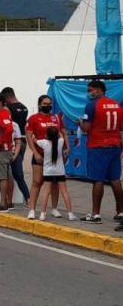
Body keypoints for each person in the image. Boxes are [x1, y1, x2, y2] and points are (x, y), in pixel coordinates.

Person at [80, 80, 123, 224]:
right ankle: (120, 212)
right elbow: (121, 128)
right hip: (115, 146)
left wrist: (80, 122)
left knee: (97, 180)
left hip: (98, 146)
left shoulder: (91, 105)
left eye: (90, 90)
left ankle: (96, 214)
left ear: (98, 90)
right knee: (115, 179)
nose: (89, 93)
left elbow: (86, 128)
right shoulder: (117, 105)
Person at [25, 95, 65, 220]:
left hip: (54, 156)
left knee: (54, 183)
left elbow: (63, 133)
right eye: (45, 103)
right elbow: (29, 137)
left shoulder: (56, 118)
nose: (47, 106)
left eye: (49, 104)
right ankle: (32, 209)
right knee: (37, 182)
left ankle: (54, 209)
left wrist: (67, 148)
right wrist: (35, 153)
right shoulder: (33, 118)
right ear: (39, 104)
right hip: (40, 155)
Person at [35, 126, 77, 221]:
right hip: (60, 172)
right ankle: (70, 214)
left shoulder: (43, 143)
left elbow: (34, 139)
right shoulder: (61, 142)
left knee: (46, 193)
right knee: (64, 192)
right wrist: (59, 129)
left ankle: (42, 214)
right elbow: (61, 135)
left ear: (47, 135)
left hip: (48, 172)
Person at [0, 92, 20, 213]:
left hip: (1, 151)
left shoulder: (2, 113)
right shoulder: (1, 114)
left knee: (2, 177)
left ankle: (3, 203)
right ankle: (8, 201)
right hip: (4, 150)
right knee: (8, 176)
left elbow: (9, 129)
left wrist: (0, 142)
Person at [2, 86, 30, 205]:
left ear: (7, 97)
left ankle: (19, 199)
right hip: (23, 141)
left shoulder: (8, 109)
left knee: (13, 173)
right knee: (17, 172)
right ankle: (26, 197)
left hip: (13, 142)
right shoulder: (24, 108)